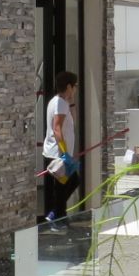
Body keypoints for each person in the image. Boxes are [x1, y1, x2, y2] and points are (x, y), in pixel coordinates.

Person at [41, 70, 79, 224]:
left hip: (57, 154)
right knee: (67, 185)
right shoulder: (60, 104)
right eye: (75, 86)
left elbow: (73, 122)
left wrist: (72, 101)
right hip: (58, 155)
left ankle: (55, 215)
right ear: (69, 86)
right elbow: (57, 129)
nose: (75, 89)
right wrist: (65, 154)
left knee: (70, 183)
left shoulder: (59, 102)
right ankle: (58, 219)